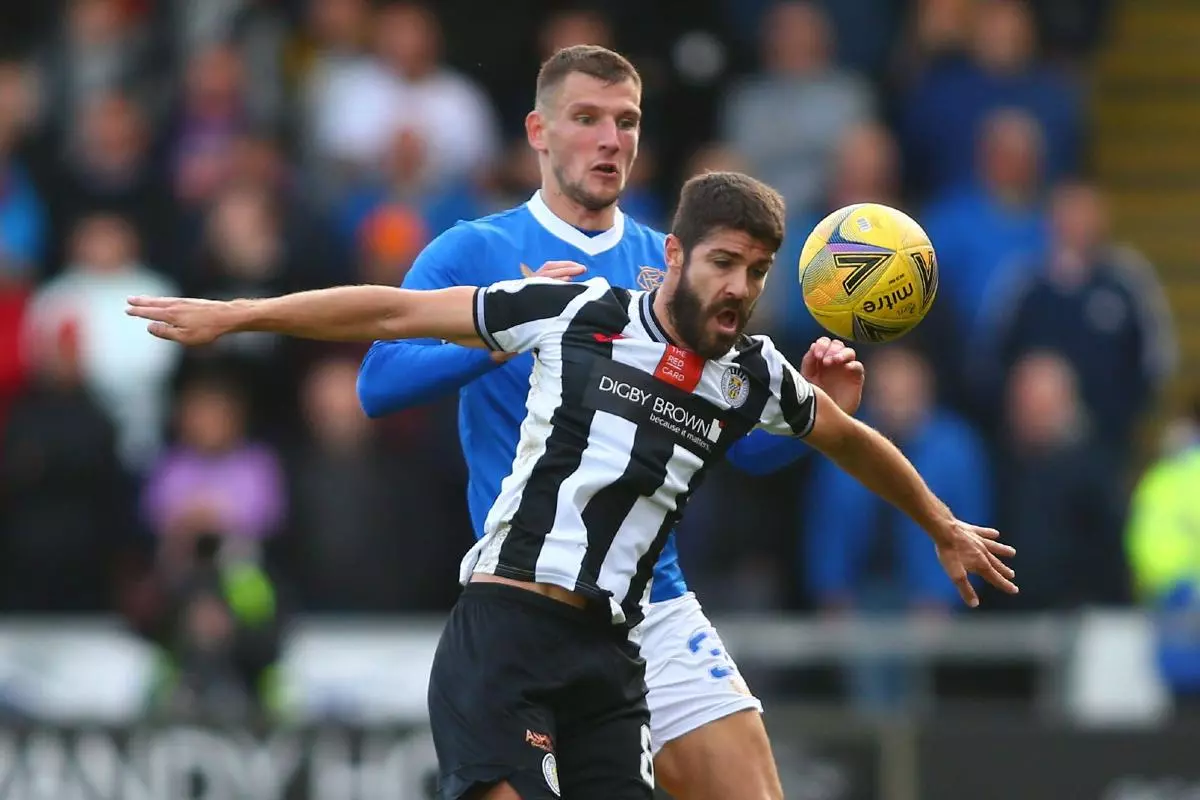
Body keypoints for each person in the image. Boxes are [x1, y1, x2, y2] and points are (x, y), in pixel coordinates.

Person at [128, 170, 1019, 800]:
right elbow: (393, 311)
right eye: (723, 263)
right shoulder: (575, 310)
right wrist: (239, 315)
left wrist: (941, 525)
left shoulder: (752, 376)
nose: (739, 288)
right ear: (675, 254)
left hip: (611, 658)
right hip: (506, 635)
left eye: (756, 272)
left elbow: (854, 442)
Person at [356, 44, 821, 800]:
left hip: (650, 601)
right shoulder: (477, 249)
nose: (611, 139)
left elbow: (741, 451)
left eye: (626, 121)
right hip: (530, 597)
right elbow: (379, 383)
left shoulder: (671, 265)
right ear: (538, 132)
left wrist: (817, 419)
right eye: (587, 118)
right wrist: (502, 330)